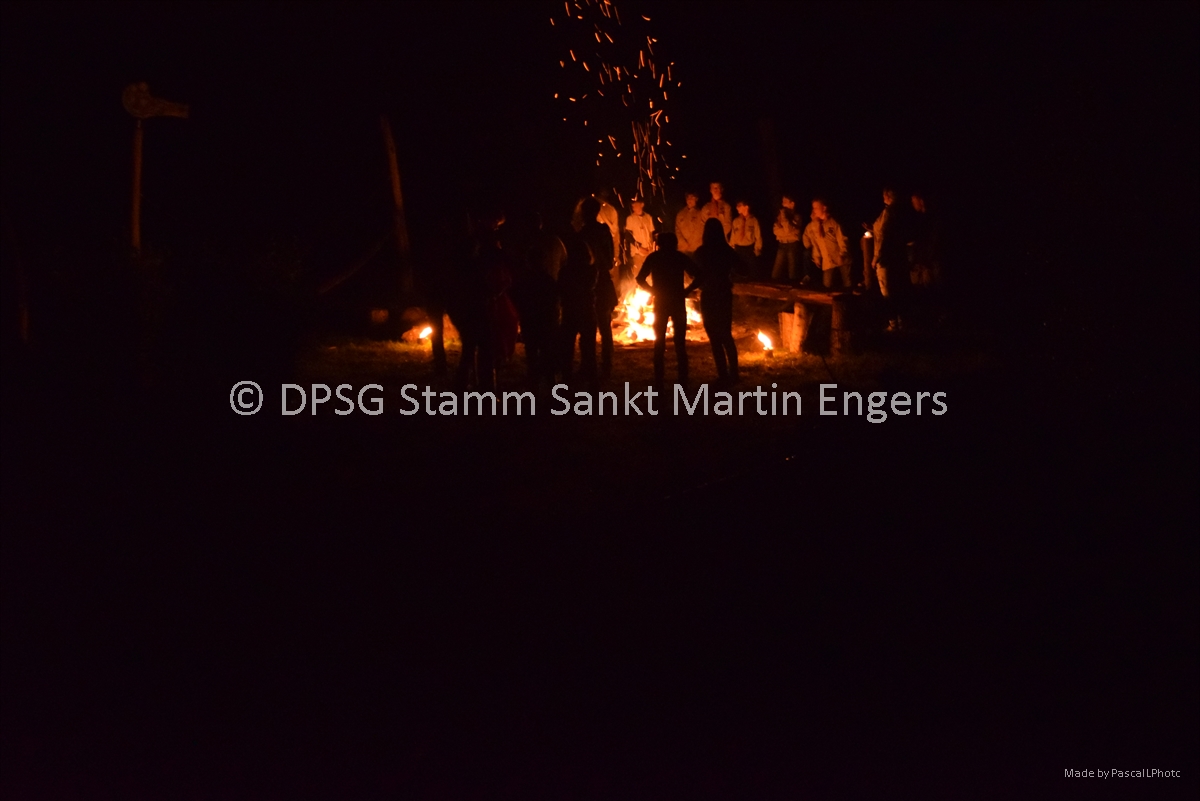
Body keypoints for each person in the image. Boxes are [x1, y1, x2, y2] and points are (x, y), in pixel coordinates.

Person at [636, 231, 698, 386]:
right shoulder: (679, 257)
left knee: (659, 341)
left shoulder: (654, 257)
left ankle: (659, 378)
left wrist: (652, 291)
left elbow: (640, 278)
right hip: (677, 301)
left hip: (661, 302)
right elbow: (699, 275)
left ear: (659, 244)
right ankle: (683, 378)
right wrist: (687, 290)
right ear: (675, 243)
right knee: (680, 342)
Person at [693, 218, 740, 383]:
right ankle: (733, 373)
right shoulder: (726, 251)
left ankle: (723, 374)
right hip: (724, 293)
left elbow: (695, 274)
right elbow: (743, 268)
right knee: (726, 334)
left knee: (714, 336)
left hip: (709, 295)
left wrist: (690, 287)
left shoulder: (701, 252)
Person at [577, 196, 617, 378]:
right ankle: (606, 363)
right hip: (601, 281)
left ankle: (588, 364)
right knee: (604, 324)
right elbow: (609, 260)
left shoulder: (582, 234)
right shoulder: (603, 231)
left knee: (589, 326)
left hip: (588, 283)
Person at [559, 207, 599, 382]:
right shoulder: (591, 270)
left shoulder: (566, 271)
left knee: (567, 347)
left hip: (570, 311)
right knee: (588, 347)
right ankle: (591, 376)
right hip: (587, 310)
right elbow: (591, 285)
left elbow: (561, 288)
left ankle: (566, 377)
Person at [872, 187, 911, 332]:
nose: (883, 197)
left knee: (887, 291)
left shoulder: (889, 212)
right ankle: (902, 321)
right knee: (898, 289)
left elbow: (883, 234)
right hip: (898, 257)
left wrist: (876, 256)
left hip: (886, 258)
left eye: (884, 194)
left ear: (888, 196)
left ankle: (894, 323)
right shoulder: (900, 211)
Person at [803, 198, 851, 289]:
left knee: (847, 283)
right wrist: (817, 257)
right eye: (813, 208)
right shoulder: (814, 225)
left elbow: (842, 239)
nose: (814, 210)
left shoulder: (833, 223)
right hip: (828, 261)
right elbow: (815, 243)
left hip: (841, 258)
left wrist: (842, 254)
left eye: (816, 208)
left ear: (824, 208)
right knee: (827, 285)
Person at [623, 197, 656, 292]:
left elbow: (651, 233)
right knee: (638, 274)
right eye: (633, 205)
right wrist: (639, 247)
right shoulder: (630, 219)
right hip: (637, 252)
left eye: (636, 204)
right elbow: (628, 236)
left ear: (642, 204)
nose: (633, 207)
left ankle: (650, 294)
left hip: (649, 251)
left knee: (650, 275)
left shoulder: (648, 217)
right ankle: (638, 294)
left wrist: (652, 246)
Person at [771, 194, 802, 283]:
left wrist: (784, 218)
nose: (782, 204)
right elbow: (775, 230)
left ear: (792, 204)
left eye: (785, 202)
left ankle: (793, 286)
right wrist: (785, 232)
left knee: (792, 270)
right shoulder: (779, 216)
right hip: (782, 244)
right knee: (775, 272)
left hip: (792, 245)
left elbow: (788, 229)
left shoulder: (797, 217)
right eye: (782, 202)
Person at [729, 200, 763, 277]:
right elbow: (733, 235)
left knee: (751, 269)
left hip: (749, 248)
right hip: (738, 248)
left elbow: (758, 235)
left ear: (746, 207)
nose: (737, 208)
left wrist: (757, 248)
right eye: (737, 206)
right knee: (737, 269)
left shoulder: (754, 220)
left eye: (739, 206)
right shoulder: (736, 221)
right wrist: (731, 246)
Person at [674, 191, 705, 256]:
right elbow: (677, 230)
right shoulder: (680, 214)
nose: (689, 200)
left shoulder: (701, 213)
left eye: (692, 197)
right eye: (688, 197)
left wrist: (693, 244)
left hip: (697, 249)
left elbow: (701, 230)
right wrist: (683, 243)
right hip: (683, 249)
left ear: (696, 199)